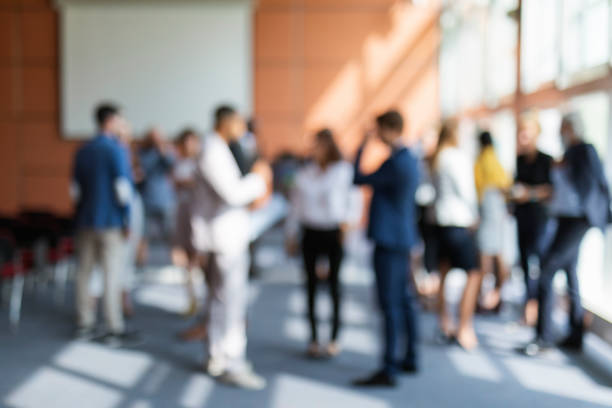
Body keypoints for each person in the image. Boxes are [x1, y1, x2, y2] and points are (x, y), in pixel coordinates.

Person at [190, 105, 272, 390]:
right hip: (224, 237)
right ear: (227, 123)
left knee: (218, 299)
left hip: (221, 235)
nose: (243, 129)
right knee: (231, 303)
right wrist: (260, 179)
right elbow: (233, 193)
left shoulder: (217, 147)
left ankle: (216, 355)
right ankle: (232, 362)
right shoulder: (213, 150)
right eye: (239, 123)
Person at [524, 112, 610, 356]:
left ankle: (544, 336)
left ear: (572, 128)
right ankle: (575, 332)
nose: (561, 132)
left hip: (577, 220)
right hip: (564, 219)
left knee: (547, 269)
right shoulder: (568, 154)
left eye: (564, 127)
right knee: (570, 271)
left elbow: (593, 186)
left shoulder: (584, 151)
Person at [352, 110, 420, 387]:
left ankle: (389, 367)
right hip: (400, 238)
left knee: (390, 303)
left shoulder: (395, 164)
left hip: (389, 241)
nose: (376, 135)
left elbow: (357, 178)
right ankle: (410, 356)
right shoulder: (407, 159)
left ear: (389, 130)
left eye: (378, 130)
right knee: (402, 300)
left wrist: (361, 146)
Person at [71, 103, 138, 347]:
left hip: (85, 220)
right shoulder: (116, 149)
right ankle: (113, 325)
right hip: (110, 221)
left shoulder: (83, 150)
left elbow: (75, 190)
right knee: (112, 273)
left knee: (84, 272)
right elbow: (123, 189)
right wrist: (127, 218)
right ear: (111, 121)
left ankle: (84, 321)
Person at [285, 128, 354, 359]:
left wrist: (348, 226)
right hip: (310, 232)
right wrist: (291, 234)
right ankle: (314, 338)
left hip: (334, 232)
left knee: (334, 286)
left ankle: (334, 338)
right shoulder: (305, 173)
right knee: (311, 286)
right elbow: (296, 206)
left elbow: (351, 202)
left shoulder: (343, 171)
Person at [431, 120, 481, 351]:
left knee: (444, 272)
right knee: (473, 273)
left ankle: (444, 323)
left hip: (439, 222)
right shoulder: (457, 157)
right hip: (458, 222)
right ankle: (464, 327)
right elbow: (466, 191)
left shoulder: (436, 158)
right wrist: (475, 215)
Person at [510, 112, 553, 326]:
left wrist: (531, 194)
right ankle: (528, 306)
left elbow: (550, 190)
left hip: (539, 220)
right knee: (525, 264)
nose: (522, 139)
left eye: (526, 134)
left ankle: (535, 308)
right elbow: (516, 185)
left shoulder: (546, 160)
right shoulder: (519, 159)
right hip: (522, 217)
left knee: (539, 264)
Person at [473, 131, 511, 313]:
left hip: (488, 210)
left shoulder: (482, 160)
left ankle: (484, 297)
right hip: (498, 211)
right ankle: (496, 295)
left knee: (485, 255)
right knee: (498, 253)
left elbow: (476, 187)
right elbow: (506, 184)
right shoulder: (495, 159)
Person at [171, 129, 202, 317]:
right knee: (186, 259)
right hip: (185, 214)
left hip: (199, 215)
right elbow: (177, 184)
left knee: (200, 258)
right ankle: (192, 298)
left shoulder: (201, 163)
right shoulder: (180, 164)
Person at [138, 127, 176, 249]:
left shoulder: (166, 151)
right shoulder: (141, 152)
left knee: (170, 234)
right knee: (144, 235)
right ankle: (142, 262)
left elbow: (171, 164)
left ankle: (173, 262)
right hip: (146, 199)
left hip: (164, 200)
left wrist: (162, 149)